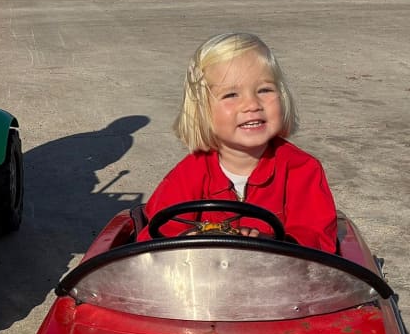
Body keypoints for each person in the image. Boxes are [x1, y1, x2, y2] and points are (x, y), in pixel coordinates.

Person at [137, 33, 338, 252]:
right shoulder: (187, 174)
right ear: (202, 111)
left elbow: (317, 242)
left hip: (277, 272)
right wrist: (186, 239)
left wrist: (271, 244)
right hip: (201, 271)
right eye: (231, 95)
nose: (252, 104)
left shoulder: (302, 170)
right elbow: (152, 240)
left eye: (264, 90)